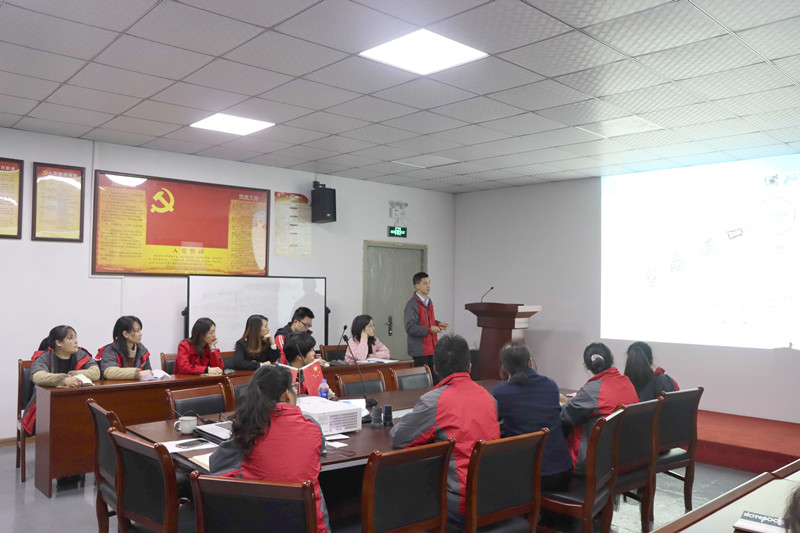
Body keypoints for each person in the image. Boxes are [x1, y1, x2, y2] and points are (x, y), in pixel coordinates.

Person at [390, 333, 499, 530]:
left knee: (399, 489)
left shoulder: (435, 401)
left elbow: (399, 438)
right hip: (495, 498)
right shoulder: (489, 398)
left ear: (435, 369)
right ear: (469, 367)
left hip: (460, 505)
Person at [211, 365, 330, 532]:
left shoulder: (250, 427)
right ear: (287, 394)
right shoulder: (311, 425)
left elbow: (216, 465)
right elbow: (319, 448)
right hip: (310, 526)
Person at [492, 342, 573, 491]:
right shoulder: (551, 385)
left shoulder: (500, 392)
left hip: (530, 477)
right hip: (563, 471)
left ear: (505, 367)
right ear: (530, 361)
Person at [561, 342, 639, 473]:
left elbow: (564, 416)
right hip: (628, 457)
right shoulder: (627, 381)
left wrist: (564, 403)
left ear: (586, 365)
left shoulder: (592, 391)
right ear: (611, 360)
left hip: (598, 464)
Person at [21, 325, 101, 437]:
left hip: (75, 404)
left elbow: (96, 372)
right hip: (47, 407)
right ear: (58, 342)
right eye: (71, 338)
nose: (76, 341)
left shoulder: (80, 354)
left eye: (76, 338)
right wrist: (63, 379)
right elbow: (38, 376)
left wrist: (74, 375)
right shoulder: (44, 357)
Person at [404, 272, 448, 378]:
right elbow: (410, 327)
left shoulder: (429, 302)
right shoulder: (412, 304)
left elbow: (426, 321)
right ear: (417, 286)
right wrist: (429, 329)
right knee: (423, 381)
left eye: (429, 283)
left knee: (435, 379)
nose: (428, 286)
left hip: (432, 349)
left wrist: (438, 324)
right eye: (425, 283)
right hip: (420, 351)